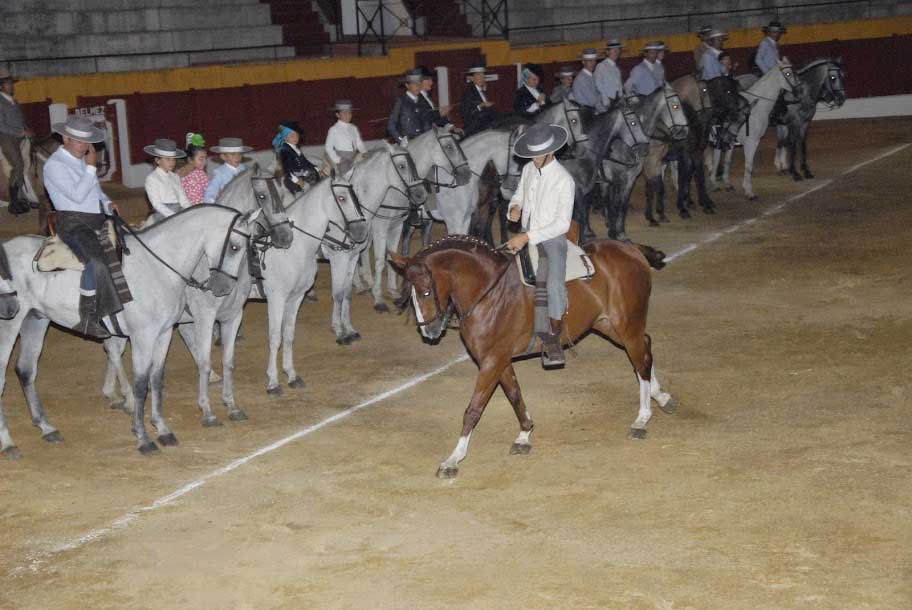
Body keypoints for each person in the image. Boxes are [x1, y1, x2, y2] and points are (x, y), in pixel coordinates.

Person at [43, 116, 124, 338]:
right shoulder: (54, 165)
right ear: (65, 138)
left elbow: (95, 192)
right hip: (72, 223)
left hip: (96, 219)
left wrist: (107, 203)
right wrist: (90, 168)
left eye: (87, 142)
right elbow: (77, 196)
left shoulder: (80, 161)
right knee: (96, 262)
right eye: (79, 141)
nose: (84, 147)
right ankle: (88, 318)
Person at [505, 123, 574, 368]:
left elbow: (562, 224)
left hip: (552, 239)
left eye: (537, 155)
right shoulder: (528, 170)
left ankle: (553, 337)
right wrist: (514, 208)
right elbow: (519, 196)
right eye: (531, 155)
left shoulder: (564, 180)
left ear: (550, 152)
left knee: (554, 283)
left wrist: (527, 236)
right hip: (525, 231)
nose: (533, 159)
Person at [0, 69, 32, 215]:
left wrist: (27, 129)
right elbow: (1, 125)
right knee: (18, 165)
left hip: (20, 137)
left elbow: (21, 120)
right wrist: (20, 132)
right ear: (2, 86)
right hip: (7, 138)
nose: (12, 86)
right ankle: (14, 202)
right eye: (8, 84)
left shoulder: (15, 101)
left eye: (11, 83)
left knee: (27, 162)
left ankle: (25, 195)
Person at [143, 138, 190, 219]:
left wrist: (190, 210)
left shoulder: (175, 176)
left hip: (178, 209)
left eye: (173, 159)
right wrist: (173, 216)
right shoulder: (152, 178)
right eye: (168, 159)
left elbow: (182, 198)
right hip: (163, 214)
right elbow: (156, 204)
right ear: (158, 160)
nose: (172, 163)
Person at [325, 100, 368, 175]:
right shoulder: (333, 129)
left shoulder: (353, 127)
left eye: (349, 113)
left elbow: (359, 143)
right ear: (337, 115)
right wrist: (337, 160)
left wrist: (364, 152)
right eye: (344, 113)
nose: (348, 115)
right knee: (346, 177)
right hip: (343, 158)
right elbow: (328, 147)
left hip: (354, 156)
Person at [274, 121, 318, 195]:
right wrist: (296, 180)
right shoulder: (285, 150)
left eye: (297, 136)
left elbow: (306, 162)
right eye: (292, 136)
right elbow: (287, 169)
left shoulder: (296, 149)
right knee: (301, 196)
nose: (295, 138)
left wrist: (317, 169)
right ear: (285, 138)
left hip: (302, 175)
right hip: (293, 180)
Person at [202, 137, 250, 203]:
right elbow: (211, 192)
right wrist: (213, 202)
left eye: (239, 154)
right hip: (229, 204)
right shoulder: (219, 172)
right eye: (233, 154)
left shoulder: (245, 169)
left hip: (246, 202)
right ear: (223, 157)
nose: (237, 157)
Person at [388, 68, 426, 146]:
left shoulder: (422, 101)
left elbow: (425, 122)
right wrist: (400, 140)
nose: (418, 86)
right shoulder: (401, 101)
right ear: (407, 85)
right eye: (414, 84)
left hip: (421, 142)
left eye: (419, 84)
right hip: (408, 144)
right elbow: (391, 125)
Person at [460, 64, 498, 137]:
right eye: (478, 75)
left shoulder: (484, 91)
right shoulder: (468, 93)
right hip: (476, 130)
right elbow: (466, 114)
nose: (482, 77)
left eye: (483, 75)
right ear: (471, 78)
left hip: (488, 127)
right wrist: (480, 106)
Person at [417, 66, 453, 130]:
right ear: (420, 82)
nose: (431, 83)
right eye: (429, 80)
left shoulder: (427, 97)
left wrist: (450, 125)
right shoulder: (417, 98)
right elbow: (424, 117)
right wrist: (440, 113)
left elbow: (436, 116)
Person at [179, 132, 209, 205]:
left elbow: (209, 191)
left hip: (200, 209)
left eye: (205, 158)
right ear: (190, 160)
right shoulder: (177, 175)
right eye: (201, 159)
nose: (204, 162)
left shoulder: (201, 174)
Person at [594, 39, 624, 111]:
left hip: (618, 102)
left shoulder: (617, 69)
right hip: (607, 103)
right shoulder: (601, 66)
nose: (616, 52)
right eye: (613, 50)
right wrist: (606, 101)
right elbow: (598, 85)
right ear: (607, 52)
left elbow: (619, 86)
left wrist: (621, 97)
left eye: (618, 50)